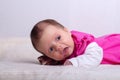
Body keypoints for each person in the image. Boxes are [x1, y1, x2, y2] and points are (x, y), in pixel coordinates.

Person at [30, 19, 120, 68]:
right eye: (51, 49)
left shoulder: (84, 42)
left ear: (67, 31)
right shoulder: (60, 55)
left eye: (58, 38)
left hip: (116, 46)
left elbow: (95, 57)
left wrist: (74, 62)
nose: (58, 47)